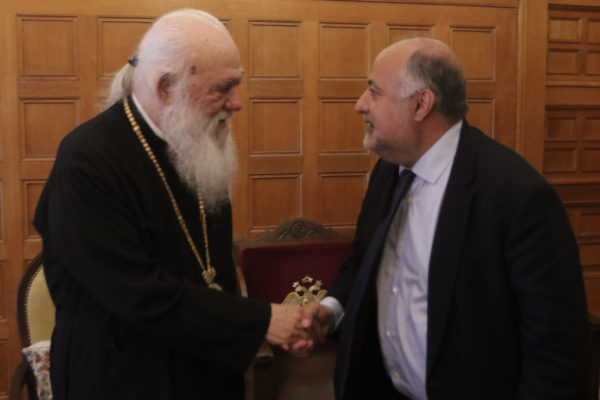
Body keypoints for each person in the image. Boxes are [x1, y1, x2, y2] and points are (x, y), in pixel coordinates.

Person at [33, 9, 313, 399]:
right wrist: (260, 321)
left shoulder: (195, 143)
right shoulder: (86, 162)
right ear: (166, 86)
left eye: (236, 86)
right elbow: (137, 293)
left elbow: (211, 269)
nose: (236, 103)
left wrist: (257, 326)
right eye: (222, 89)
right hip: (122, 377)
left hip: (200, 363)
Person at [300, 38, 589, 399]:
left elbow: (557, 349)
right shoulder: (388, 171)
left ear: (421, 104)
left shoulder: (517, 195)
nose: (360, 104)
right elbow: (363, 261)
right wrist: (331, 310)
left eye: (374, 92)